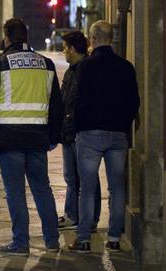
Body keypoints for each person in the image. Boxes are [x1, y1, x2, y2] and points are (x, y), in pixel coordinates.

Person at [0, 18, 64, 255]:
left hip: (8, 137)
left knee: (15, 191)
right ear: (26, 36)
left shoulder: (0, 63)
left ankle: (20, 243)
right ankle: (51, 240)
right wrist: (54, 136)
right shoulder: (46, 64)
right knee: (42, 188)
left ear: (7, 37)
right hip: (37, 136)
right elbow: (56, 105)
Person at [67, 21, 140, 253]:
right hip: (118, 134)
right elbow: (134, 102)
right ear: (111, 38)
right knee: (117, 187)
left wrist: (78, 127)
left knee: (86, 188)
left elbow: (78, 100)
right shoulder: (126, 67)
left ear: (93, 39)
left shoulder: (86, 66)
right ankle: (115, 238)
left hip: (89, 133)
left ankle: (84, 238)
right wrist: (123, 125)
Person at [58, 31, 101, 231]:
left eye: (65, 47)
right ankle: (72, 214)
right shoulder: (70, 71)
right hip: (68, 132)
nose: (63, 51)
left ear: (73, 49)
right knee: (70, 176)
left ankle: (90, 218)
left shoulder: (87, 69)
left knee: (86, 176)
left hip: (81, 131)